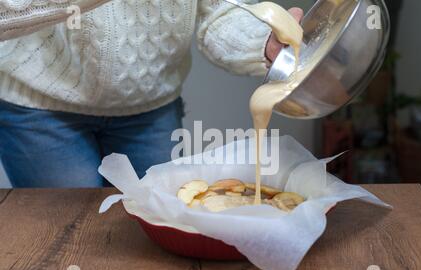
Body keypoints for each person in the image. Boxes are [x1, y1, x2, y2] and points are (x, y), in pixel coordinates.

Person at [0, 0, 302, 188]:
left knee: (149, 245)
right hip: (38, 111)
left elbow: (219, 11)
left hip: (150, 109)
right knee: (71, 244)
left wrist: (262, 42)